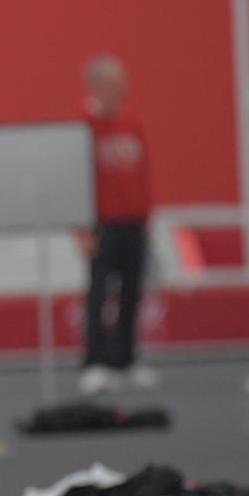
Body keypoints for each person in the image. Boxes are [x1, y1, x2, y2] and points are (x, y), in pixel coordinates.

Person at [77, 54, 156, 396]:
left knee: (131, 293)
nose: (118, 91)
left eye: (120, 84)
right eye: (110, 84)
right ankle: (95, 362)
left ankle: (126, 359)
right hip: (101, 225)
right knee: (98, 294)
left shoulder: (131, 122)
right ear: (95, 86)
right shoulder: (84, 126)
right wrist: (81, 229)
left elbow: (142, 172)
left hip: (133, 223)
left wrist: (146, 217)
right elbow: (77, 179)